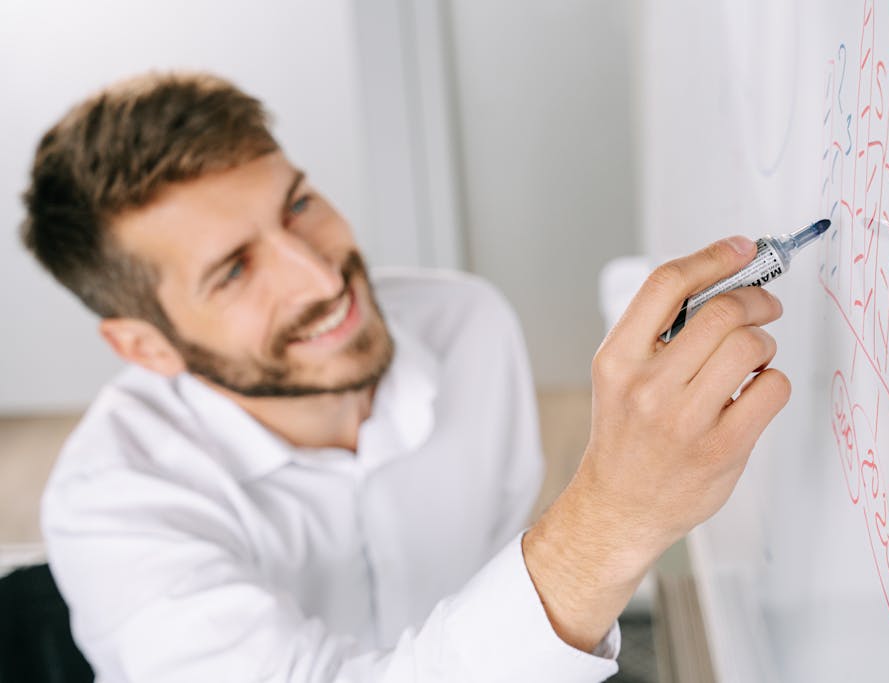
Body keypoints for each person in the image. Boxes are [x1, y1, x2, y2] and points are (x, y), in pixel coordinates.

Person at [21, 72, 790, 682]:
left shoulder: (466, 325)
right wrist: (614, 516)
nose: (321, 276)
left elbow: (493, 577)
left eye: (297, 205)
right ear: (146, 346)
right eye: (233, 270)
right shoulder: (114, 506)